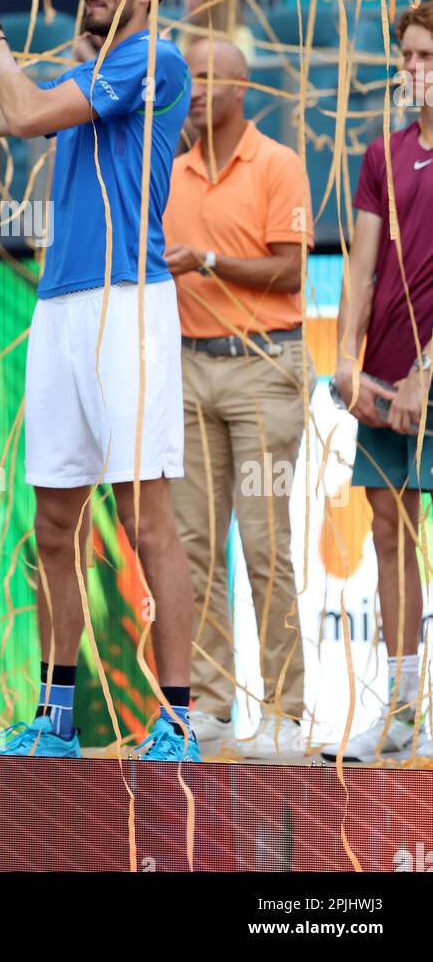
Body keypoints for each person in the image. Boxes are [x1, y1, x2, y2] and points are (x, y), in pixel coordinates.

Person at [0, 0, 199, 762]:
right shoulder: (85, 65)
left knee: (143, 518)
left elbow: (19, 115)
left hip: (128, 305)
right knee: (55, 524)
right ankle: (56, 719)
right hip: (60, 307)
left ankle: (179, 719)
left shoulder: (152, 59)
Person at [163, 38, 314, 760]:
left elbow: (289, 274)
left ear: (240, 88)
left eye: (206, 77)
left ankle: (286, 709)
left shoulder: (277, 164)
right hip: (189, 368)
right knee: (194, 549)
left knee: (265, 545)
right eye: (187, 76)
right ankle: (211, 706)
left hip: (264, 366)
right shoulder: (173, 165)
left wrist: (210, 261)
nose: (193, 89)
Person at [323, 2, 433, 763]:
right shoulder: (379, 155)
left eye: (425, 56)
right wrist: (345, 358)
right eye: (407, 57)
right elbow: (359, 270)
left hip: (427, 379)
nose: (413, 70)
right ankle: (399, 713)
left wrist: (431, 371)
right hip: (386, 382)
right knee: (390, 532)